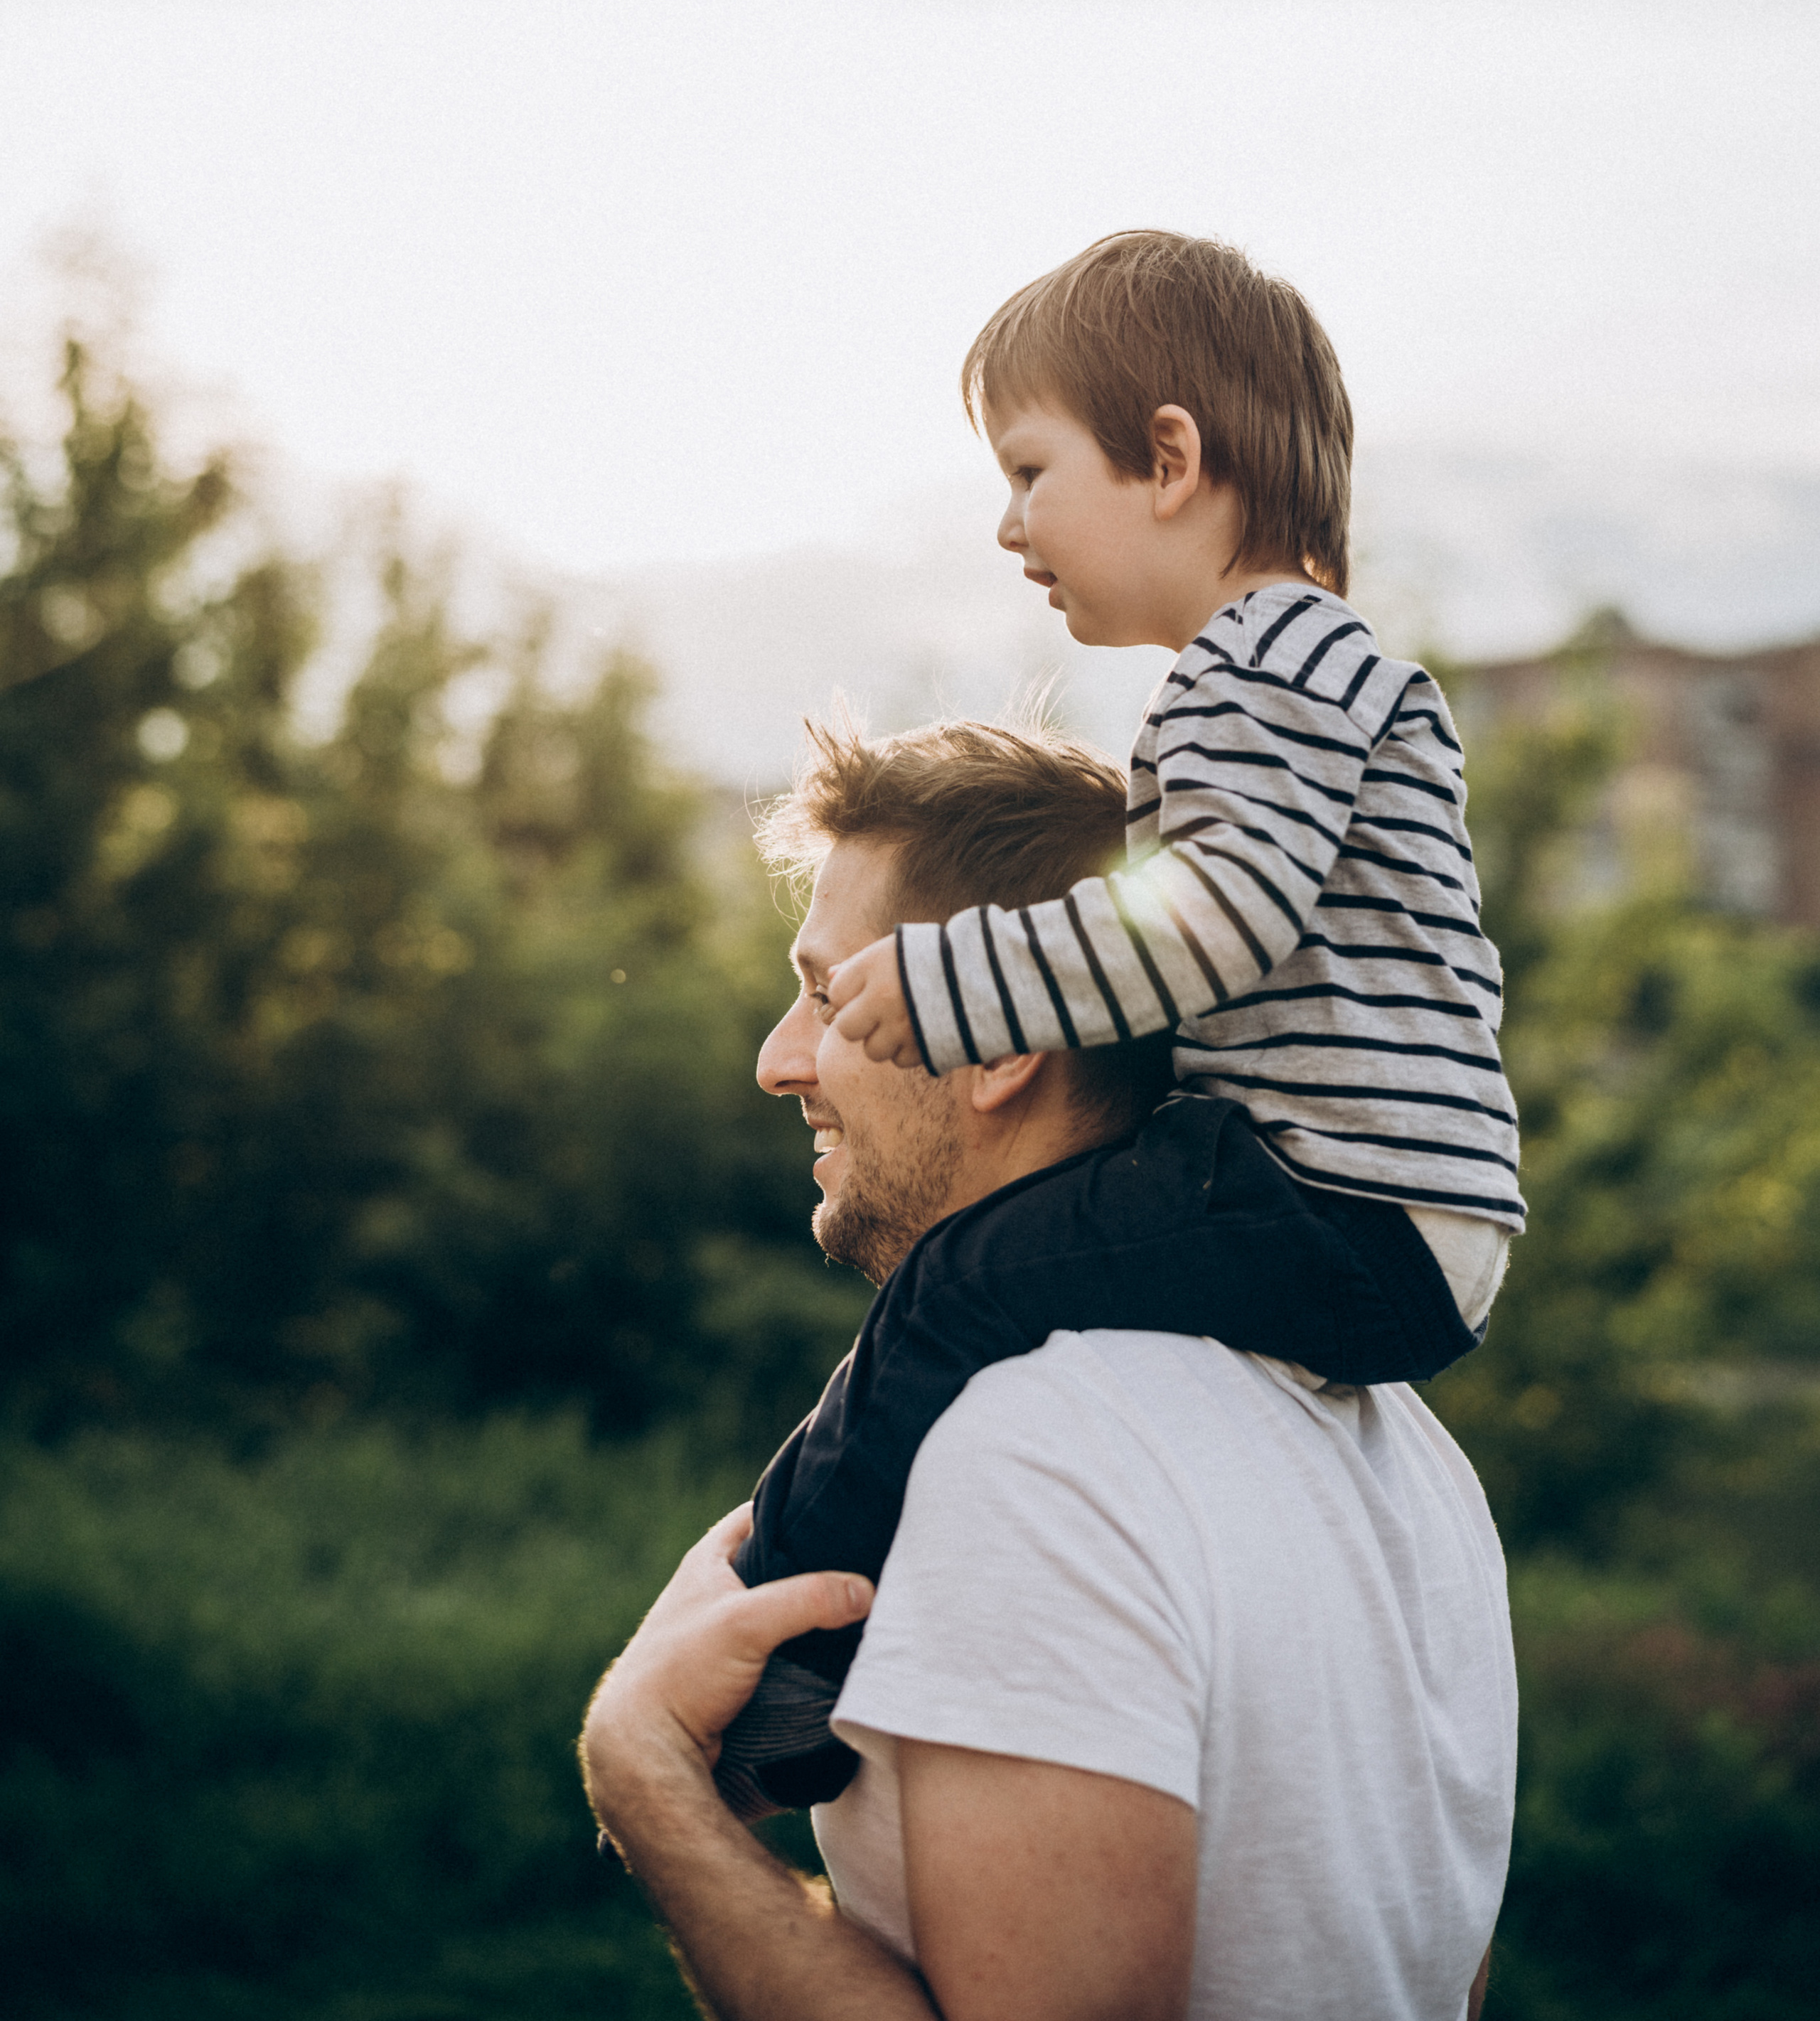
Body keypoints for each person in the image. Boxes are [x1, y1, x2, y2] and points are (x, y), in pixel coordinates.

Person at [724, 227, 1523, 1813]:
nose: (1008, 525)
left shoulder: (1254, 669)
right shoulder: (1344, 672)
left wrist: (957, 981)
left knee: (956, 1289)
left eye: (1028, 473)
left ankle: (775, 1656)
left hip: (1335, 1201)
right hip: (1398, 1215)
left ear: (1168, 458)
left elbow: (1216, 919)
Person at [579, 717, 1516, 2020]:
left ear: (1003, 1040)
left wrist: (646, 1771)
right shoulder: (1410, 1455)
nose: (778, 1058)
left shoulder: (1024, 1455)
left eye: (826, 991)